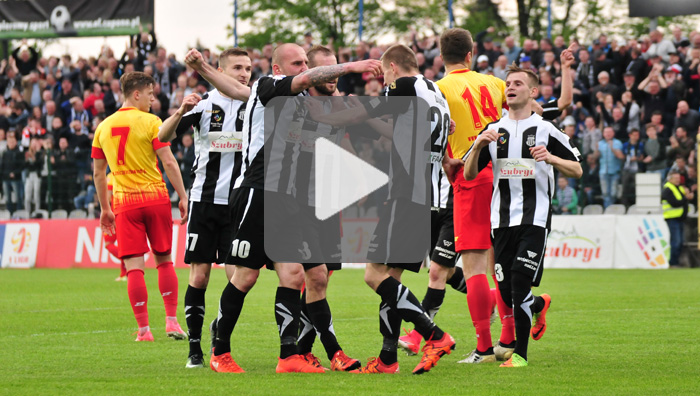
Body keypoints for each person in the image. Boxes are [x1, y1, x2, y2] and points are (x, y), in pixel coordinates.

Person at [186, 44, 381, 373]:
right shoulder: (266, 87)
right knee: (245, 277)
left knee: (298, 275)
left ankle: (289, 355)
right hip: (259, 192)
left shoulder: (305, 104)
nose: (304, 67)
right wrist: (351, 67)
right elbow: (237, 88)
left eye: (306, 62)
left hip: (291, 199)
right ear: (278, 68)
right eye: (298, 63)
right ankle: (220, 352)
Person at [309, 44, 457, 374]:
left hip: (404, 193)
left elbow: (365, 112)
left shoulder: (404, 85)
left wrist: (329, 116)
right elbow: (406, 133)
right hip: (429, 198)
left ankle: (434, 335)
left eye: (385, 75)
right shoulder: (436, 94)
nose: (385, 82)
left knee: (373, 274)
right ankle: (388, 358)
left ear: (392, 67)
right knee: (392, 278)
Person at [464, 64, 582, 367]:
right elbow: (468, 173)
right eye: (508, 83)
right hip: (500, 221)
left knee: (518, 281)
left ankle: (520, 356)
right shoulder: (493, 130)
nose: (510, 87)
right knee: (505, 289)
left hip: (535, 218)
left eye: (518, 83)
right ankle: (539, 304)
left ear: (532, 92)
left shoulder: (546, 129)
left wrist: (551, 157)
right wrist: (478, 146)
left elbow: (577, 169)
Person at [158, 48, 252, 369]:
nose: (244, 73)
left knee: (239, 277)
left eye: (248, 68)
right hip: (205, 201)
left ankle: (219, 332)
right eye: (237, 67)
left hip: (239, 204)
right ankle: (195, 349)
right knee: (199, 277)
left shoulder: (253, 104)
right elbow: (163, 135)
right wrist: (181, 109)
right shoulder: (204, 103)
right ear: (220, 70)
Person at [92, 71, 188, 342]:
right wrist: (182, 196)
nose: (152, 99)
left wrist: (104, 209)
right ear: (136, 94)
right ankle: (171, 322)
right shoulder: (151, 121)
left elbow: (99, 174)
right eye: (149, 94)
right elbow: (168, 162)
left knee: (134, 267)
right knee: (164, 261)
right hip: (155, 198)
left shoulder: (103, 127)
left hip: (124, 203)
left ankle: (144, 330)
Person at [435, 27, 509, 363]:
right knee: (500, 263)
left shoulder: (439, 90)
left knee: (475, 265)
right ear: (471, 53)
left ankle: (484, 348)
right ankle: (510, 336)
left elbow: (432, 142)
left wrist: (448, 160)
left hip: (471, 174)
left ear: (440, 56)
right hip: (505, 175)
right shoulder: (495, 83)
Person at [662, 171, 692, 267]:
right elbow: (675, 203)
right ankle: (673, 263)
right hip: (672, 218)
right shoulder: (667, 190)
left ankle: (676, 262)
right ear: (670, 179)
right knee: (676, 241)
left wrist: (689, 194)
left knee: (679, 242)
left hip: (680, 219)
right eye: (676, 178)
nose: (678, 180)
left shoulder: (678, 188)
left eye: (679, 178)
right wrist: (686, 198)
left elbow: (687, 197)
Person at [594, 126, 624, 208]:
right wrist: (596, 150)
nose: (608, 134)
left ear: (613, 133)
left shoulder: (617, 143)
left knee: (613, 192)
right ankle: (608, 208)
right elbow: (595, 158)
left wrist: (612, 148)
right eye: (606, 132)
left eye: (609, 132)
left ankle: (611, 207)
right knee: (605, 192)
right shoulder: (600, 143)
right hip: (603, 171)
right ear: (603, 134)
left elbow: (621, 157)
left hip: (614, 171)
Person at [1, 131, 24, 212]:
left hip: (16, 178)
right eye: (9, 142)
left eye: (12, 141)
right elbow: (2, 166)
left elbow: (21, 165)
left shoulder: (19, 152)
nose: (11, 143)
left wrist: (14, 173)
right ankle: (9, 213)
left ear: (16, 142)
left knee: (18, 197)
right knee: (7, 198)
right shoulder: (4, 153)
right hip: (5, 178)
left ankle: (19, 212)